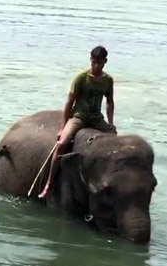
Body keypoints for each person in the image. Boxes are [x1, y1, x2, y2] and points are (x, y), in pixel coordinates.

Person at [39, 46, 117, 199]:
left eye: (99, 63)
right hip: (79, 117)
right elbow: (70, 102)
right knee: (62, 144)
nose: (96, 66)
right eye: (94, 62)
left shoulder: (108, 80)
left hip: (96, 118)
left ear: (105, 62)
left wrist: (111, 123)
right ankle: (49, 183)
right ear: (90, 60)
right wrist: (63, 127)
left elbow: (109, 102)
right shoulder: (81, 78)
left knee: (115, 141)